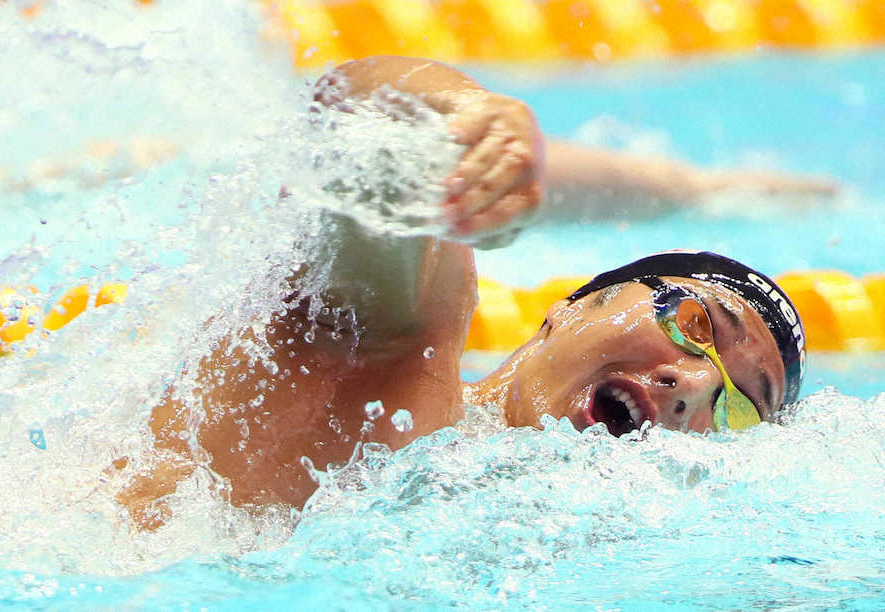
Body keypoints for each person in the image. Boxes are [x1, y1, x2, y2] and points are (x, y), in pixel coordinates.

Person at [116, 56, 820, 530]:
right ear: (570, 306)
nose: (695, 384)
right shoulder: (395, 346)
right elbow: (358, 135)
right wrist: (472, 114)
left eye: (739, 408)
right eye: (695, 322)